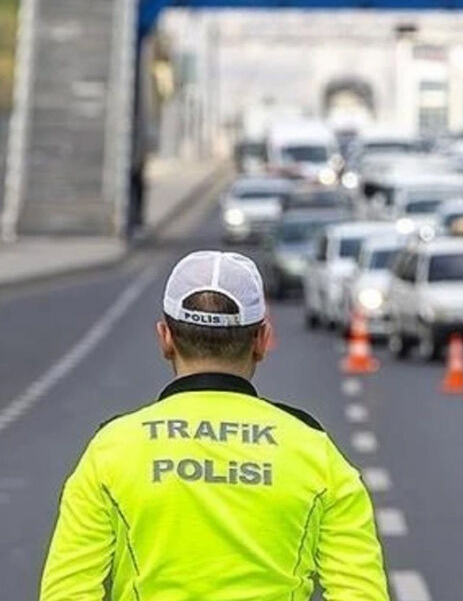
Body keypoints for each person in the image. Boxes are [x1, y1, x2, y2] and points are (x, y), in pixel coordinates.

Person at [39, 251, 390, 600]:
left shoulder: (111, 450)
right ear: (262, 340)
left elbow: (66, 592)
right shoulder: (316, 453)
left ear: (165, 338)